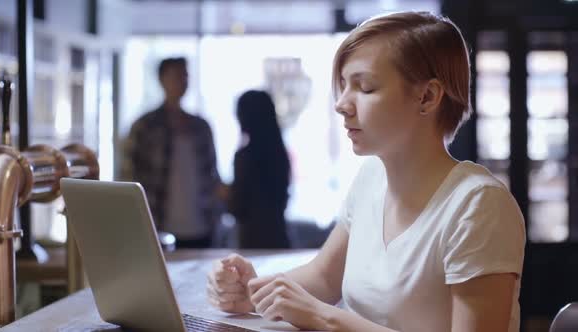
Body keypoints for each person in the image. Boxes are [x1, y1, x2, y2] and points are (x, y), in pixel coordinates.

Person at [206, 11, 526, 332]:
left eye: (366, 87)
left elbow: (323, 308)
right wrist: (251, 292)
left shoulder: (479, 206)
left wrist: (325, 318)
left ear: (427, 97)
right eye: (344, 86)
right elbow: (323, 277)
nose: (342, 104)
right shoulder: (372, 178)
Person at [122, 57, 221, 248]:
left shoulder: (201, 126)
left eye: (185, 76)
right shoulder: (145, 126)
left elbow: (212, 174)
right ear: (162, 80)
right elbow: (129, 177)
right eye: (176, 75)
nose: (182, 81)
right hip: (158, 223)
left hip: (201, 223)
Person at [226, 90, 291, 249]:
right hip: (279, 237)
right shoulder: (279, 153)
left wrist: (225, 194)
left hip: (252, 241)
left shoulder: (244, 156)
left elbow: (238, 206)